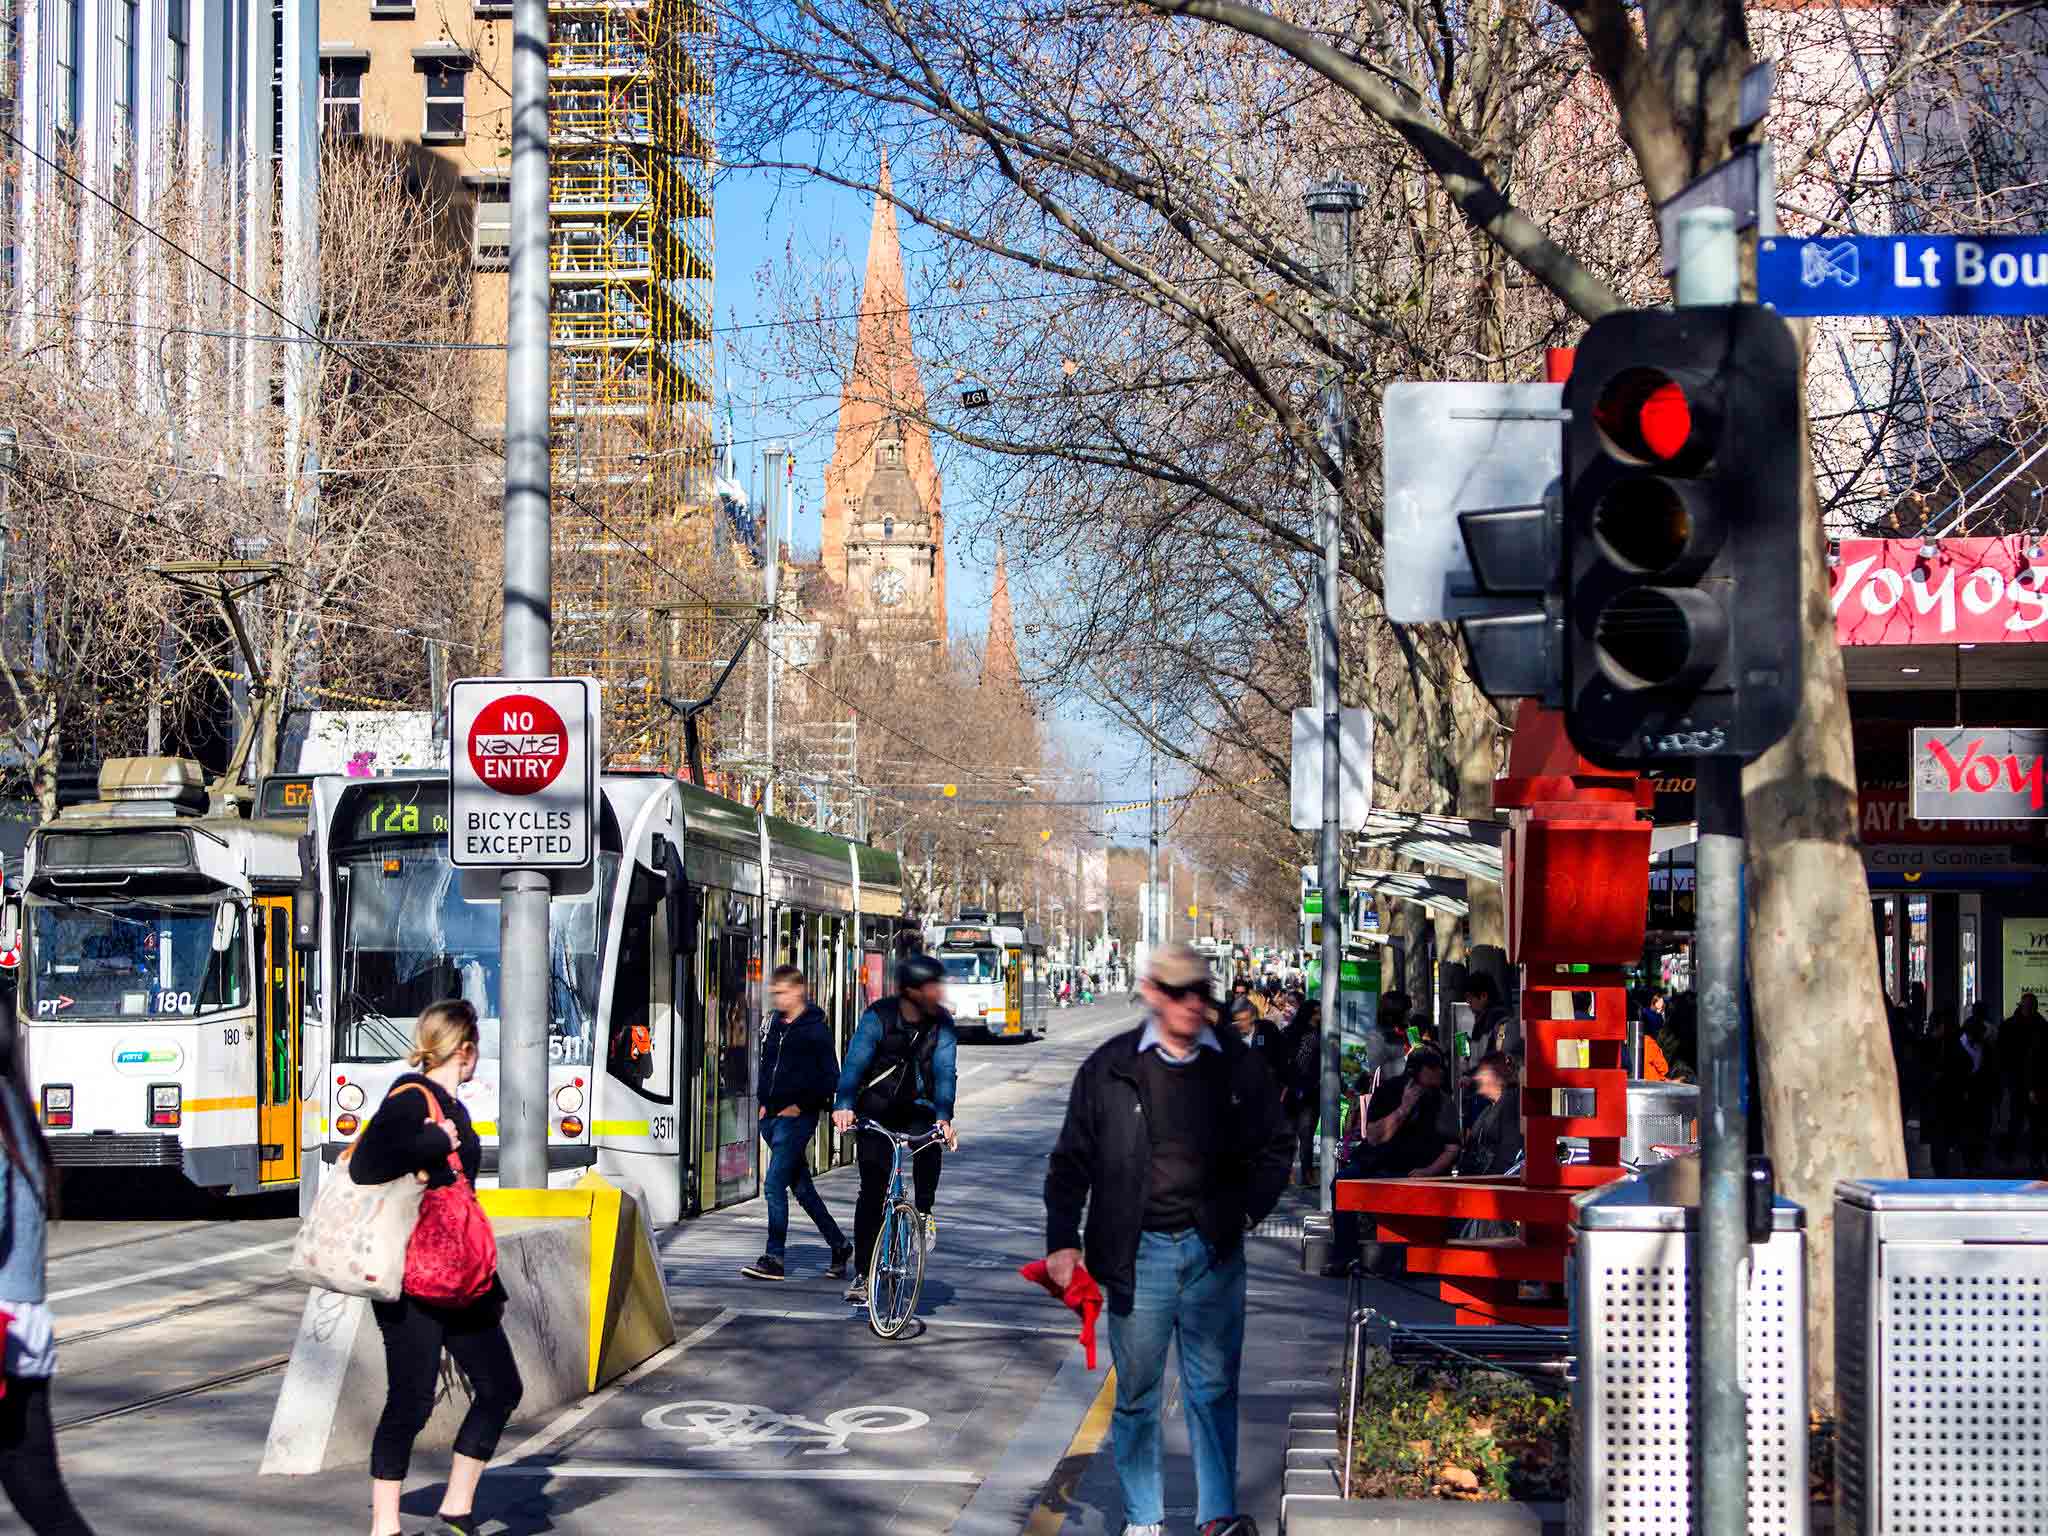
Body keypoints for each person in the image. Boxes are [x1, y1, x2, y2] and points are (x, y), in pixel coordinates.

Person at [1043, 942, 1294, 1536]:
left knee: (1214, 1390)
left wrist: (1245, 1214)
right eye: (1179, 992)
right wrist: (1062, 1240)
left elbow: (1276, 1146)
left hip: (1213, 1253)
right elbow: (1070, 1160)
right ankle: (1144, 1518)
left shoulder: (1235, 1064)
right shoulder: (1110, 1067)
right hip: (1138, 1253)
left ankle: (1216, 1518)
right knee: (1136, 1393)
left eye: (1200, 992)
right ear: (1153, 993)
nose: (1191, 1004)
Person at [351, 1000, 522, 1536]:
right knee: (412, 1399)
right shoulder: (410, 1097)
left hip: (461, 1276)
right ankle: (385, 1526)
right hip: (412, 1277)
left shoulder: (452, 1104)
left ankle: (457, 1508)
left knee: (500, 1387)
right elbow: (365, 1165)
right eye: (477, 1050)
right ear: (465, 1050)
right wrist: (434, 1141)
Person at [0, 991, 95, 1535]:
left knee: (37, 1490)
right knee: (38, 1490)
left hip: (5, 1332)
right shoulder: (14, 1105)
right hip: (20, 1331)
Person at [833, 953, 959, 1306]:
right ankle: (863, 1273)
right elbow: (855, 1063)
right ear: (911, 991)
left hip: (920, 1106)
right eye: (931, 987)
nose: (938, 993)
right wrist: (844, 1104)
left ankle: (924, 1211)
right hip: (877, 1108)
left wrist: (944, 1117)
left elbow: (945, 1071)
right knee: (872, 1190)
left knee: (929, 1143)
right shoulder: (878, 1016)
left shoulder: (943, 1024)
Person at [743, 966, 854, 1283]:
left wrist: (800, 1106)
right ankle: (840, 1245)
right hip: (771, 1119)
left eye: (782, 992)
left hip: (797, 1120)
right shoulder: (775, 1025)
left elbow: (830, 1078)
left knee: (773, 1185)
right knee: (802, 1189)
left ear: (798, 991)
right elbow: (766, 1066)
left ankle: (774, 1257)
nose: (777, 998)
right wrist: (763, 1102)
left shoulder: (815, 1030)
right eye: (774, 993)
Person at [1326, 1049, 1461, 1276]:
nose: (1440, 1073)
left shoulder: (1442, 1101)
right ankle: (1345, 1256)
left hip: (1415, 1171)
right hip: (1376, 1164)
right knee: (1341, 1183)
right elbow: (1373, 1136)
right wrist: (1403, 1110)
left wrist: (1429, 1171)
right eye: (1433, 1069)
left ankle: (1402, 1263)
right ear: (1418, 1071)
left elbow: (1452, 1148)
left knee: (1401, 1193)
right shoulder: (1388, 1091)